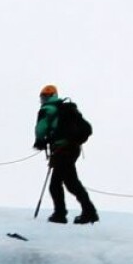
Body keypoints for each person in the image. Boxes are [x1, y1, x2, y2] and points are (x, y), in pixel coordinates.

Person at [33, 85, 98, 224]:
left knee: (55, 185)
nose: (42, 100)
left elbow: (41, 129)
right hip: (73, 148)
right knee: (71, 183)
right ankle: (88, 212)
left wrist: (39, 141)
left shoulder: (47, 109)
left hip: (61, 150)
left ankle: (60, 214)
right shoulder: (65, 108)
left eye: (43, 97)